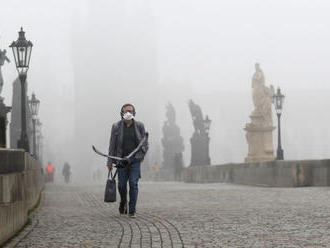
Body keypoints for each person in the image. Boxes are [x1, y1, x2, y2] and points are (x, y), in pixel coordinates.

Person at [107, 103, 148, 218]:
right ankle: (123, 201)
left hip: (135, 161)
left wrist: (142, 153)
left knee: (133, 184)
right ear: (122, 113)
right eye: (126, 111)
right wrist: (109, 162)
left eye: (130, 111)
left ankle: (132, 209)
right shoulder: (116, 126)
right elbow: (112, 145)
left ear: (134, 113)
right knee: (121, 185)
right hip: (121, 161)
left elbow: (145, 142)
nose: (128, 113)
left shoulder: (140, 126)